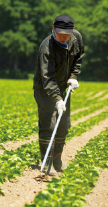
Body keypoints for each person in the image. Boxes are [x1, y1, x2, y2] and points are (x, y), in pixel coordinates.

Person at [33, 15, 84, 176]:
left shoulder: (76, 39)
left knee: (63, 125)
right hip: (45, 89)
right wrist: (57, 99)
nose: (63, 37)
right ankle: (47, 163)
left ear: (72, 31)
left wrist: (73, 77)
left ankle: (57, 160)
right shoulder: (46, 48)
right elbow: (47, 77)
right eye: (60, 33)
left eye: (67, 34)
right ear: (53, 29)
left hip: (64, 87)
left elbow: (78, 58)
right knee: (49, 125)